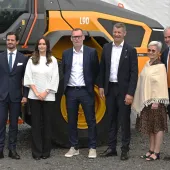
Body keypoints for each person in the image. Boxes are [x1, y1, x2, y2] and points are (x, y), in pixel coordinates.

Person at [99, 23, 138, 160]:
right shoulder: (106, 47)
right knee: (111, 119)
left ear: (124, 34)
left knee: (124, 121)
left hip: (124, 91)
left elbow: (134, 73)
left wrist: (130, 93)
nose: (116, 34)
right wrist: (101, 86)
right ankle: (111, 148)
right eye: (115, 32)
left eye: (119, 32)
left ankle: (125, 149)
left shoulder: (130, 50)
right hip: (110, 88)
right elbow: (102, 68)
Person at [62, 28, 99, 158]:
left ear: (83, 37)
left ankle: (92, 147)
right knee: (71, 121)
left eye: (78, 36)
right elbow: (64, 71)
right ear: (71, 39)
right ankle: (74, 147)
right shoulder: (66, 53)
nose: (76, 39)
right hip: (71, 91)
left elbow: (96, 70)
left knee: (90, 120)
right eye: (74, 37)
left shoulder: (91, 52)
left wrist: (92, 85)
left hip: (86, 91)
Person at [132, 41, 169, 161]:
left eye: (153, 51)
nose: (151, 52)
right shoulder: (147, 64)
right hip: (147, 101)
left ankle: (157, 152)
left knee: (157, 127)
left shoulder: (160, 66)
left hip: (156, 103)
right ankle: (151, 150)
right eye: (149, 50)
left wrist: (156, 100)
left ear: (158, 53)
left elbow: (161, 85)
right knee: (150, 127)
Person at [24, 37, 59, 160]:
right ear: (37, 46)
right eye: (39, 44)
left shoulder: (52, 60)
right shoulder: (31, 60)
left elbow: (55, 78)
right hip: (34, 96)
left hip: (48, 96)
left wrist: (45, 92)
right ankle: (37, 152)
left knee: (47, 124)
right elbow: (28, 77)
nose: (41, 46)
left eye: (44, 44)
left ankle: (46, 151)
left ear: (47, 46)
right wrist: (36, 92)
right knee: (36, 124)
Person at [0, 32, 28, 159]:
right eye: (8, 40)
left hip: (16, 97)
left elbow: (26, 79)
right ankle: (0, 150)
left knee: (13, 125)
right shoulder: (0, 57)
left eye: (12, 40)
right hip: (1, 96)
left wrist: (25, 95)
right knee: (0, 124)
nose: (10, 42)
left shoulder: (23, 59)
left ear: (17, 42)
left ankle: (12, 150)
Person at [161, 27, 170, 118]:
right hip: (168, 89)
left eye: (169, 37)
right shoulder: (165, 53)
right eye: (165, 37)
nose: (167, 40)